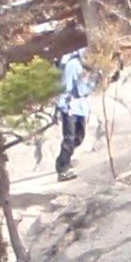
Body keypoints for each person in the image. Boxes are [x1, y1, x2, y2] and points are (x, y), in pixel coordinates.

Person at [55, 48, 96, 181]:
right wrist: (59, 106)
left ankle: (65, 157)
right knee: (69, 138)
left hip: (82, 107)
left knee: (79, 137)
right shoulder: (73, 65)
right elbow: (65, 86)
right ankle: (62, 168)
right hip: (70, 107)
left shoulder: (90, 67)